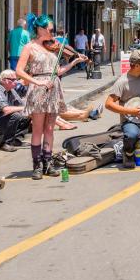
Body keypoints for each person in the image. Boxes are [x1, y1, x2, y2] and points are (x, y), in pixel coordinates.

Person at [16, 14, 86, 180]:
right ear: (40, 29)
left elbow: (58, 71)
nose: (53, 33)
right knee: (38, 130)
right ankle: (37, 165)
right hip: (39, 89)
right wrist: (37, 82)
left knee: (49, 129)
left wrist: (73, 63)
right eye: (50, 30)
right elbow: (19, 71)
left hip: (54, 88)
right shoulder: (29, 47)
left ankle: (48, 163)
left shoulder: (52, 47)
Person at [0, 70, 31, 152]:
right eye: (13, 79)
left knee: (28, 114)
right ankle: (5, 143)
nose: (16, 82)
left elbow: (21, 104)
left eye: (16, 79)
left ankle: (15, 139)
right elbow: (6, 110)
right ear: (4, 80)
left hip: (2, 120)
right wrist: (24, 108)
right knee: (15, 115)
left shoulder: (11, 90)